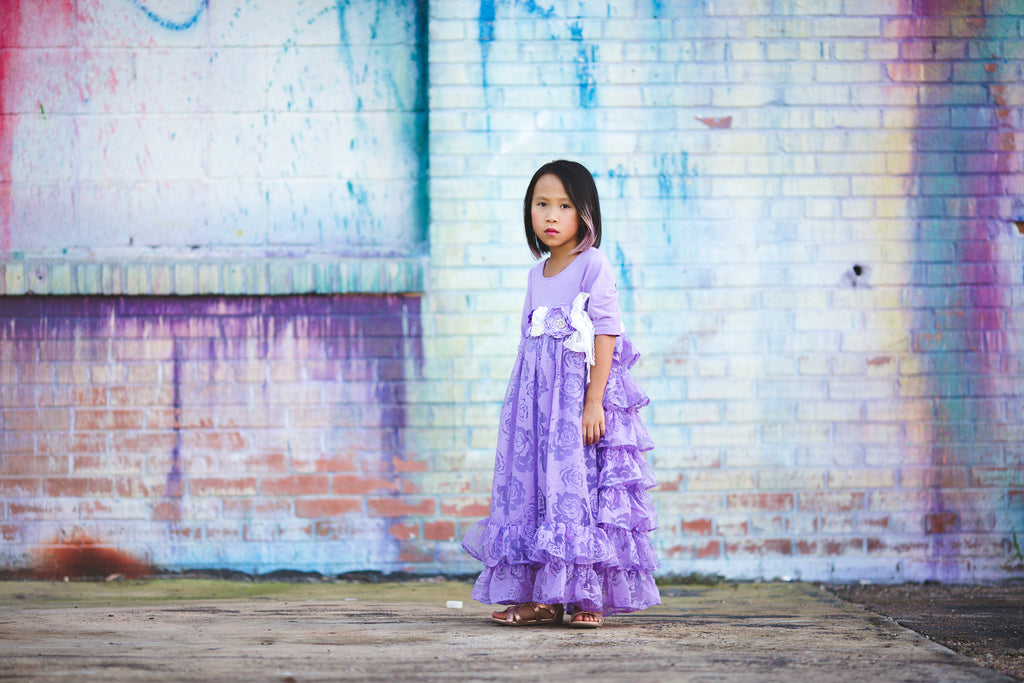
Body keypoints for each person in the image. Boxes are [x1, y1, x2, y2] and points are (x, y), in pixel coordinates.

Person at [461, 159, 660, 628]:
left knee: (577, 485)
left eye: (564, 205)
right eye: (541, 204)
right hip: (536, 403)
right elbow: (528, 344)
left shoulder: (593, 264)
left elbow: (607, 332)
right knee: (536, 488)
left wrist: (593, 402)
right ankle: (545, 596)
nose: (551, 215)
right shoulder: (537, 274)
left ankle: (587, 597)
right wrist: (521, 410)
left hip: (578, 399)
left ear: (585, 212)